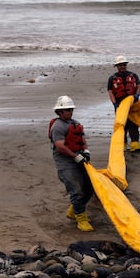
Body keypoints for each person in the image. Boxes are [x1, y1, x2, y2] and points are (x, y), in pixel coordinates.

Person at [49, 95, 95, 232]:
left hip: (79, 160)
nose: (70, 112)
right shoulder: (57, 127)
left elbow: (82, 139)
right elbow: (60, 146)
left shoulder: (75, 123)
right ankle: (81, 218)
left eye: (71, 109)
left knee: (89, 189)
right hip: (66, 164)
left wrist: (85, 151)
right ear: (60, 112)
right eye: (67, 110)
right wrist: (75, 157)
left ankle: (74, 210)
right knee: (76, 191)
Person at [107, 55, 140, 152]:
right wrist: (114, 104)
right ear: (116, 66)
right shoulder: (112, 78)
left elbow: (139, 87)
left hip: (132, 104)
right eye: (119, 65)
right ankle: (123, 144)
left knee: (134, 124)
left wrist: (137, 95)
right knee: (122, 124)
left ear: (126, 65)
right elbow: (110, 92)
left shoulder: (133, 76)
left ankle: (135, 144)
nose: (122, 66)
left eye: (123, 64)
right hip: (119, 104)